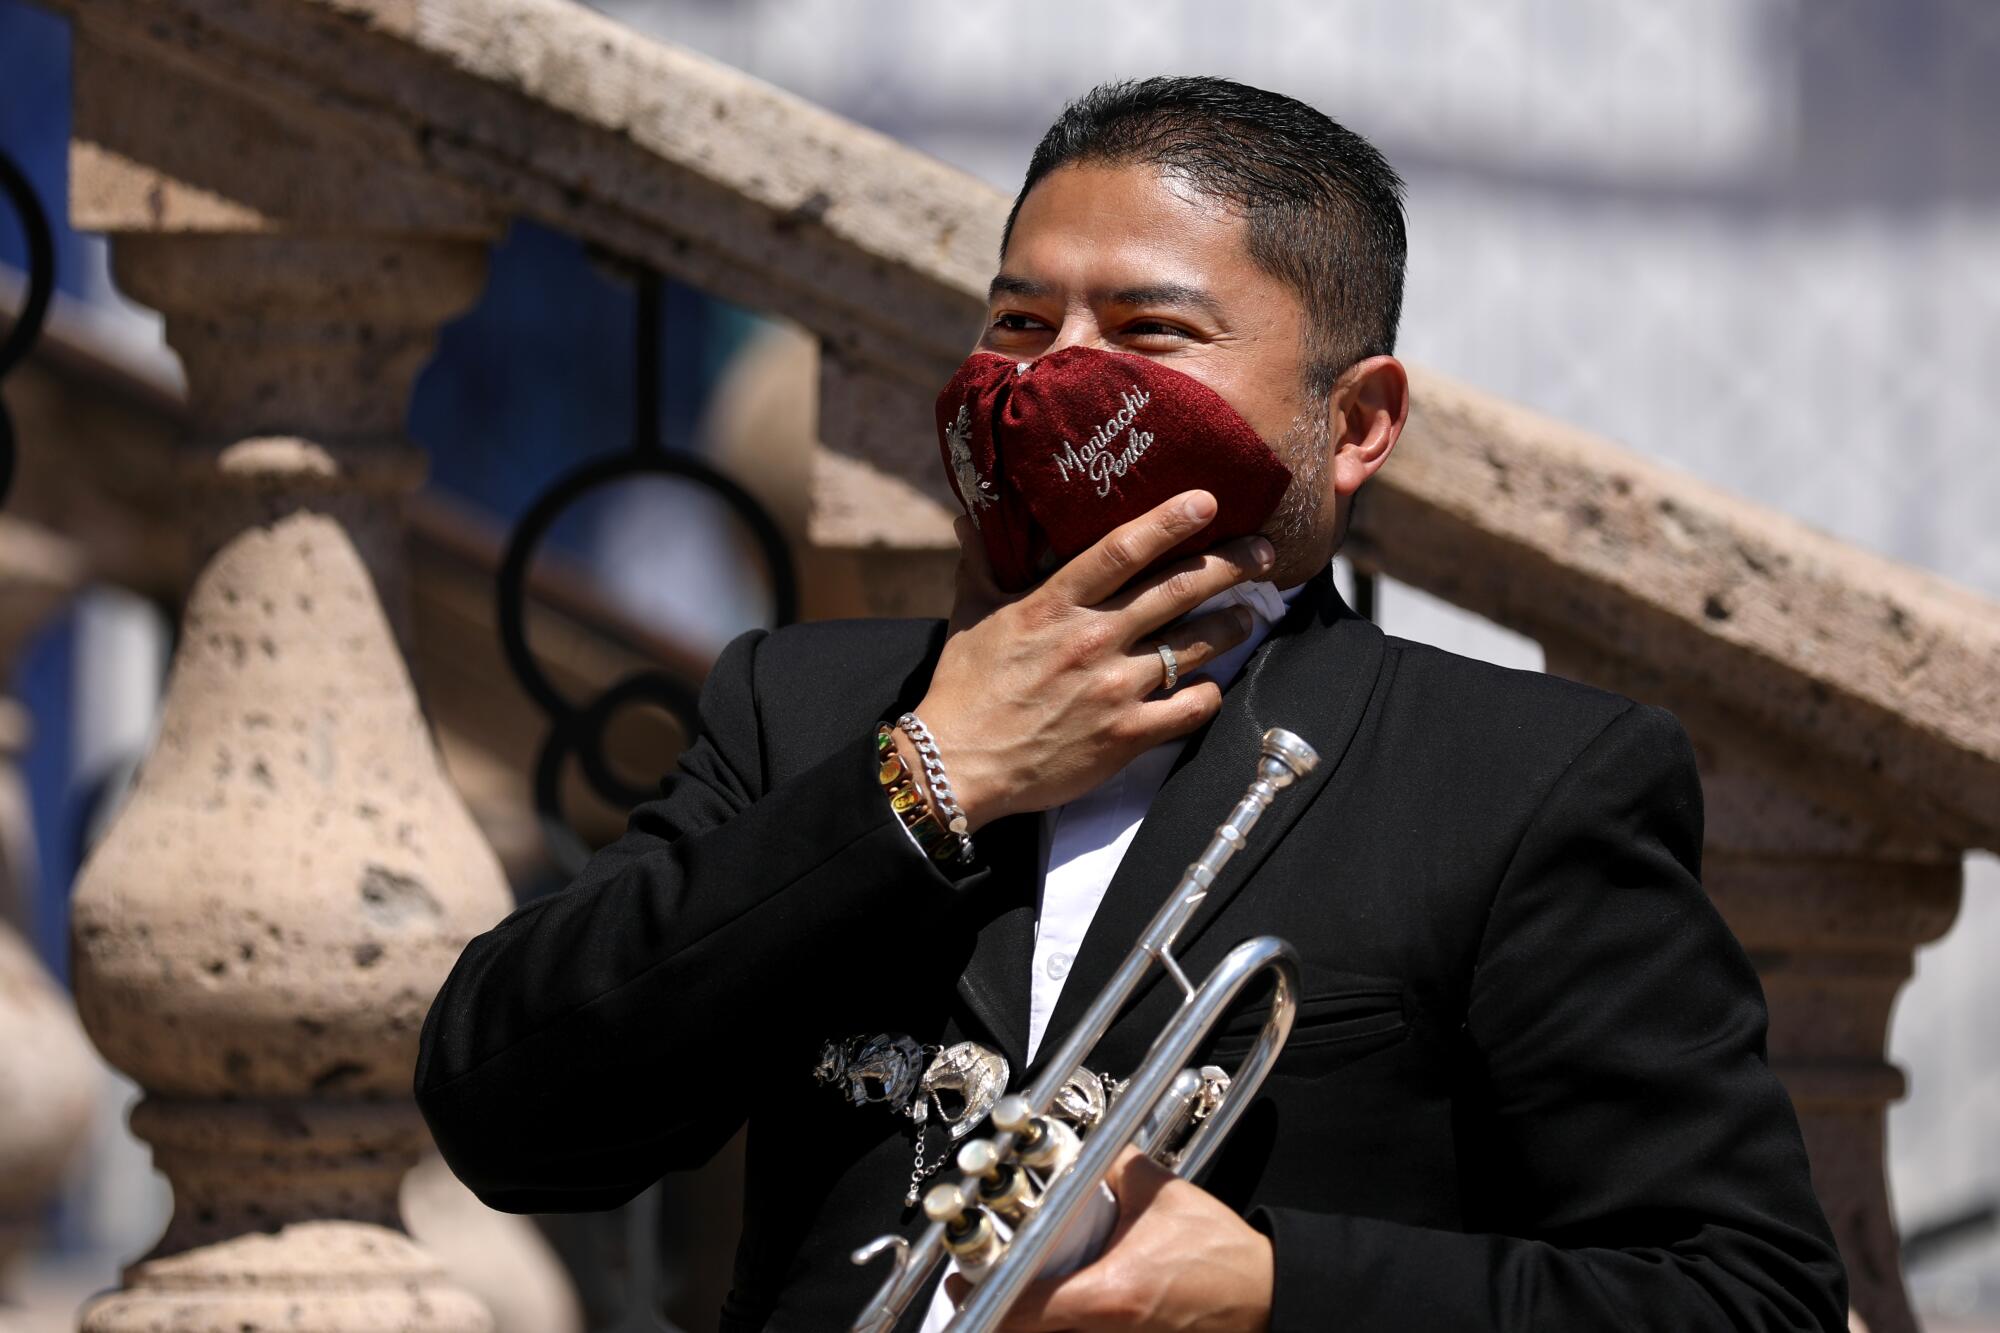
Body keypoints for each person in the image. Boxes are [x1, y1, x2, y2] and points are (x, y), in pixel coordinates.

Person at [415, 76, 1848, 1332]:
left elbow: (1741, 1292)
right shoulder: (808, 704)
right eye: (1020, 319)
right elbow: (509, 1109)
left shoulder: (1528, 776)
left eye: (1150, 333)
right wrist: (922, 777)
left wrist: (1274, 1287)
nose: (1054, 382)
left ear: (1355, 425)